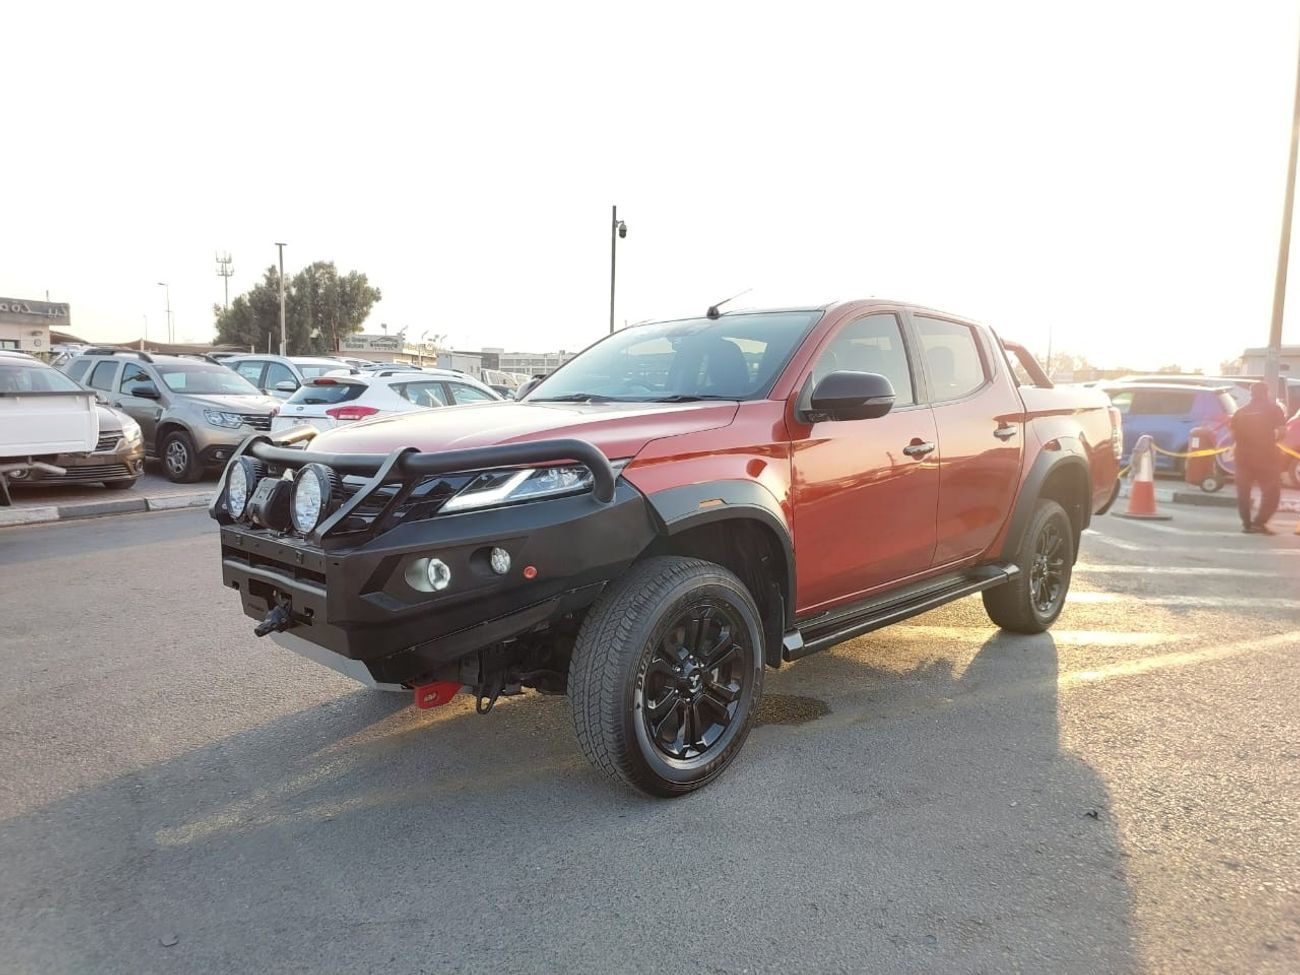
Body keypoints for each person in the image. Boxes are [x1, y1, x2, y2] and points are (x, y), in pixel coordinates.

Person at [1230, 381, 1287, 534]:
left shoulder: (1241, 411)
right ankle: (1259, 523)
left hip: (1242, 457)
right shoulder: (1274, 409)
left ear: (1251, 394)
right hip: (1266, 457)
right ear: (1266, 393)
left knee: (1243, 492)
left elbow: (1233, 435)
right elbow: (1281, 432)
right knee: (1271, 493)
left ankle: (1247, 525)